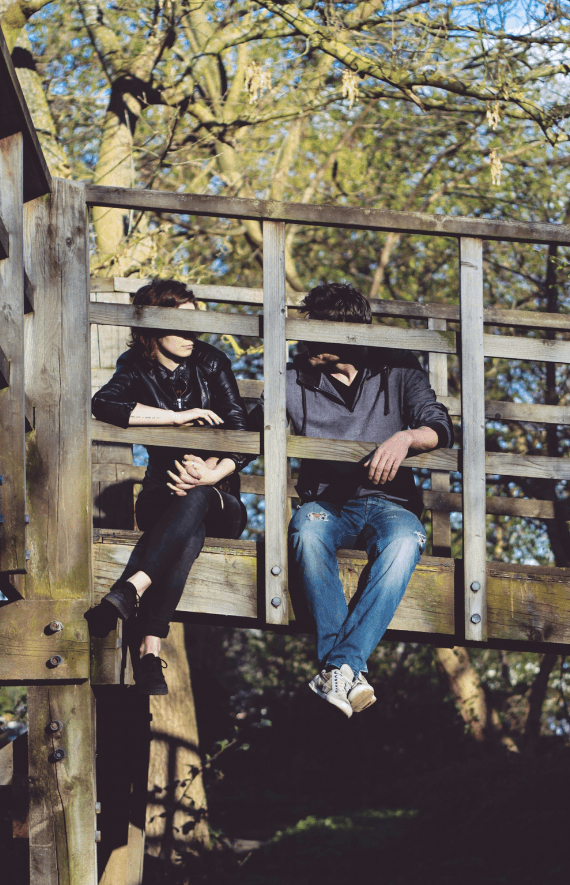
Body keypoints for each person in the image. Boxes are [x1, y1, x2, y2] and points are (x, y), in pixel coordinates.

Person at [286, 282, 453, 717]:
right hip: (326, 504)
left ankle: (336, 668)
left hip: (390, 504)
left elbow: (438, 425)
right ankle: (346, 670)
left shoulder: (398, 366)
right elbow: (252, 424)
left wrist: (405, 438)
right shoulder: (295, 376)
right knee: (306, 530)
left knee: (405, 542)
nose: (303, 335)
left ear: (345, 330)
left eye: (315, 326)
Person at [86, 278, 250, 694]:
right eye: (180, 325)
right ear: (154, 329)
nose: (192, 335)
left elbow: (240, 429)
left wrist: (212, 472)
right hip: (162, 495)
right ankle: (148, 654)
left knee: (196, 502)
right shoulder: (135, 364)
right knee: (186, 531)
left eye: (197, 324)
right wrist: (174, 417)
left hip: (221, 497)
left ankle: (132, 589)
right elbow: (104, 404)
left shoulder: (212, 361)